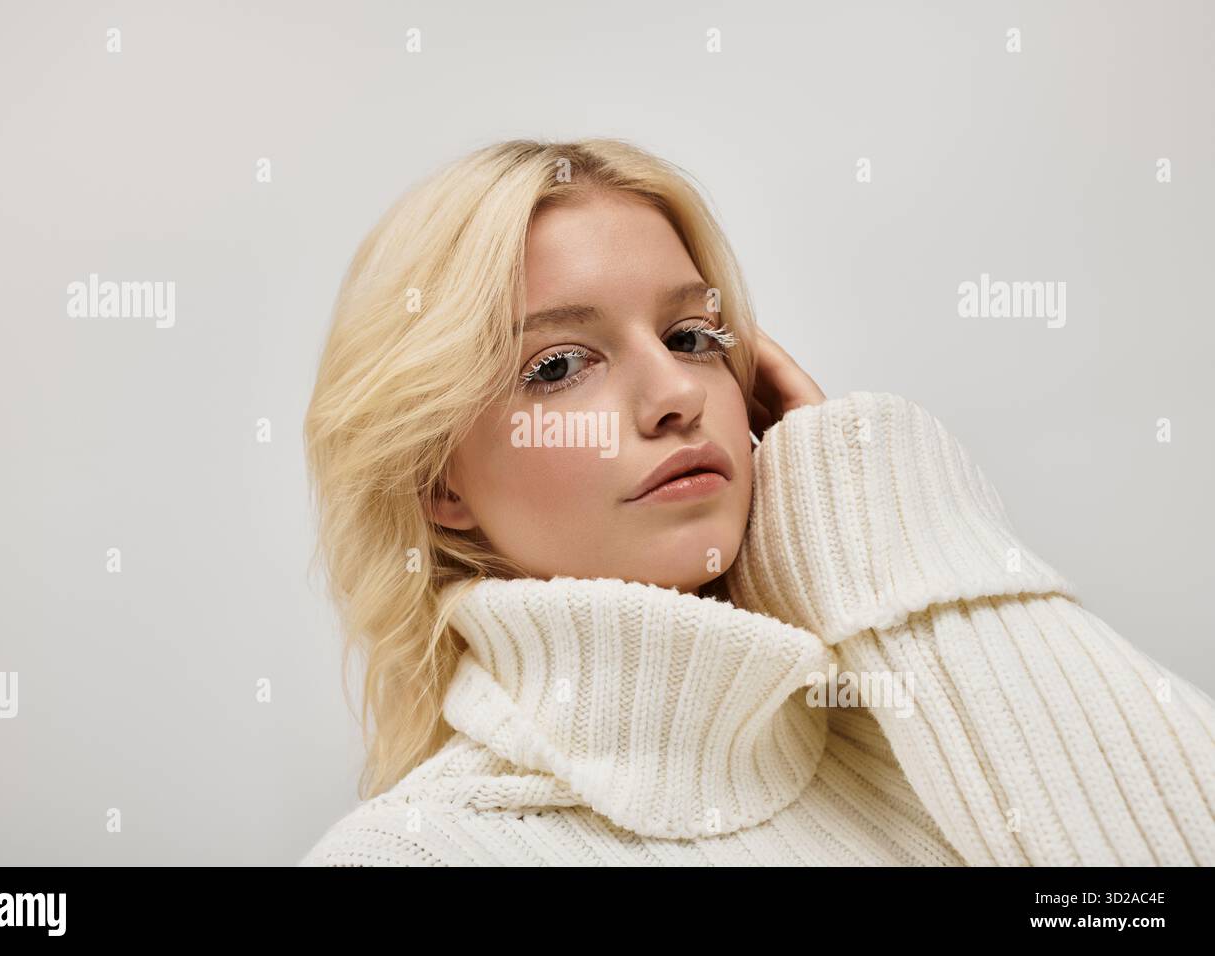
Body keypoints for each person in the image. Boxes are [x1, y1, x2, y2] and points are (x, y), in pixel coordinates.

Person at [298, 138, 1215, 865]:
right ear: (438, 484)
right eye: (558, 365)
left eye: (692, 335)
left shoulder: (923, 744)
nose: (676, 393)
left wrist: (869, 515)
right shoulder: (416, 853)